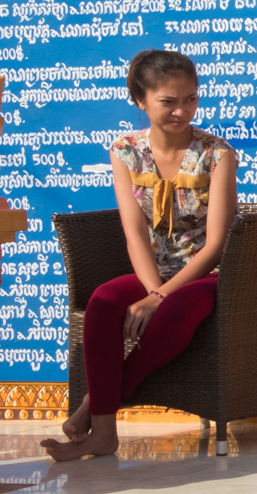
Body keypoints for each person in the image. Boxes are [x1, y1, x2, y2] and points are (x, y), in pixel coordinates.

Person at [43, 50, 238, 461]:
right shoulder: (125, 151)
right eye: (169, 101)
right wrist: (153, 289)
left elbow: (217, 244)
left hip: (206, 274)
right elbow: (134, 233)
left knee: (169, 314)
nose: (182, 111)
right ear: (141, 100)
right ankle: (105, 435)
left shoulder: (217, 154)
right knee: (103, 302)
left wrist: (161, 297)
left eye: (191, 99)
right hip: (156, 271)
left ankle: (91, 408)